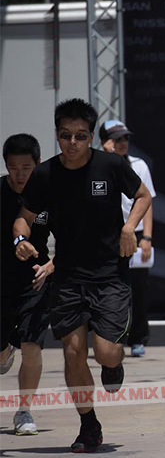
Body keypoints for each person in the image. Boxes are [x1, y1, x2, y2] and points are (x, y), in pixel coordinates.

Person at [14, 98, 152, 452]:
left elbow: (143, 196)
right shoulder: (45, 174)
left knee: (106, 353)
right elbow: (23, 218)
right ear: (57, 135)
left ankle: (113, 365)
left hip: (110, 275)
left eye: (80, 135)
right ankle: (89, 425)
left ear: (91, 136)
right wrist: (20, 240)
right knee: (73, 351)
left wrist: (130, 229)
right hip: (68, 277)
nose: (72, 142)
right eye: (65, 135)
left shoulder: (111, 165)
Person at [0, 134, 54, 436]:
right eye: (13, 168)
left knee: (32, 346)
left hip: (36, 278)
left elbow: (74, 237)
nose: (19, 174)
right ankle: (5, 348)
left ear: (38, 163)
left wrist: (52, 265)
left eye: (26, 168)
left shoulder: (50, 194)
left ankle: (24, 411)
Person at [100, 120, 157, 357]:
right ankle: (112, 336)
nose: (123, 143)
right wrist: (107, 157)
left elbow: (147, 200)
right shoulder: (98, 165)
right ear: (105, 142)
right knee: (109, 288)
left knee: (138, 288)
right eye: (117, 139)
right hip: (108, 234)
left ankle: (138, 338)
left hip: (134, 232)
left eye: (125, 138)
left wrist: (147, 237)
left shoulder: (138, 165)